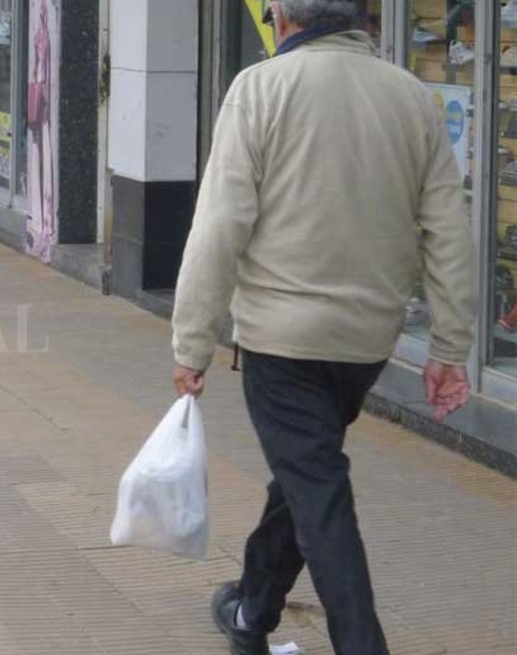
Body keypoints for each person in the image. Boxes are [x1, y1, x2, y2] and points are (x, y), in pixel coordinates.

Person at [170, 1, 476, 655]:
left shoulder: (260, 88)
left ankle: (362, 643)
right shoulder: (412, 97)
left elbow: (220, 223)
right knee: (306, 476)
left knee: (317, 489)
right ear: (362, 17)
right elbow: (449, 230)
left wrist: (192, 340)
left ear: (282, 18)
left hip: (282, 341)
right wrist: (451, 345)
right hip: (365, 343)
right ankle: (252, 610)